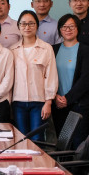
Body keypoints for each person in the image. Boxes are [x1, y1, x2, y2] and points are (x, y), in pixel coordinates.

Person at [10, 10, 58, 141]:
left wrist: (48, 102)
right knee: (21, 139)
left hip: (39, 102)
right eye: (23, 24)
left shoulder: (46, 48)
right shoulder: (12, 50)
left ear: (37, 26)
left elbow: (51, 76)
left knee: (37, 140)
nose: (27, 27)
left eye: (31, 23)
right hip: (18, 102)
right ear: (19, 26)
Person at [52, 14, 89, 148]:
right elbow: (47, 76)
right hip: (57, 104)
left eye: (71, 26)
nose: (68, 30)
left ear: (78, 28)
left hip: (78, 104)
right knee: (62, 144)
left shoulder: (85, 50)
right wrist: (55, 97)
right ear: (60, 30)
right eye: (64, 27)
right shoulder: (53, 49)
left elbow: (85, 78)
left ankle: (78, 164)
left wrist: (68, 98)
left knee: (78, 143)